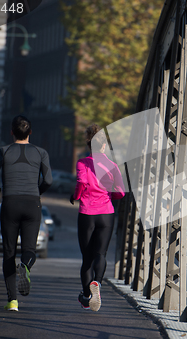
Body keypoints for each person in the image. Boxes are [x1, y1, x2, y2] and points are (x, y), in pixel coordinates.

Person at [0, 115, 52, 311]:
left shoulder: (2, 151)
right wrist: (37, 192)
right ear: (30, 132)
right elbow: (48, 180)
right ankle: (25, 265)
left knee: (8, 252)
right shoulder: (41, 153)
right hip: (32, 204)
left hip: (10, 203)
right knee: (30, 249)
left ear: (11, 132)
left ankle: (12, 301)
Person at [71, 124, 125, 311]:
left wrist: (76, 196)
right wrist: (111, 196)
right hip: (106, 214)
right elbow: (120, 192)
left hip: (87, 214)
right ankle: (98, 283)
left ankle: (86, 295)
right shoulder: (112, 166)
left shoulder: (82, 163)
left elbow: (81, 182)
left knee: (87, 258)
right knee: (101, 254)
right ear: (104, 146)